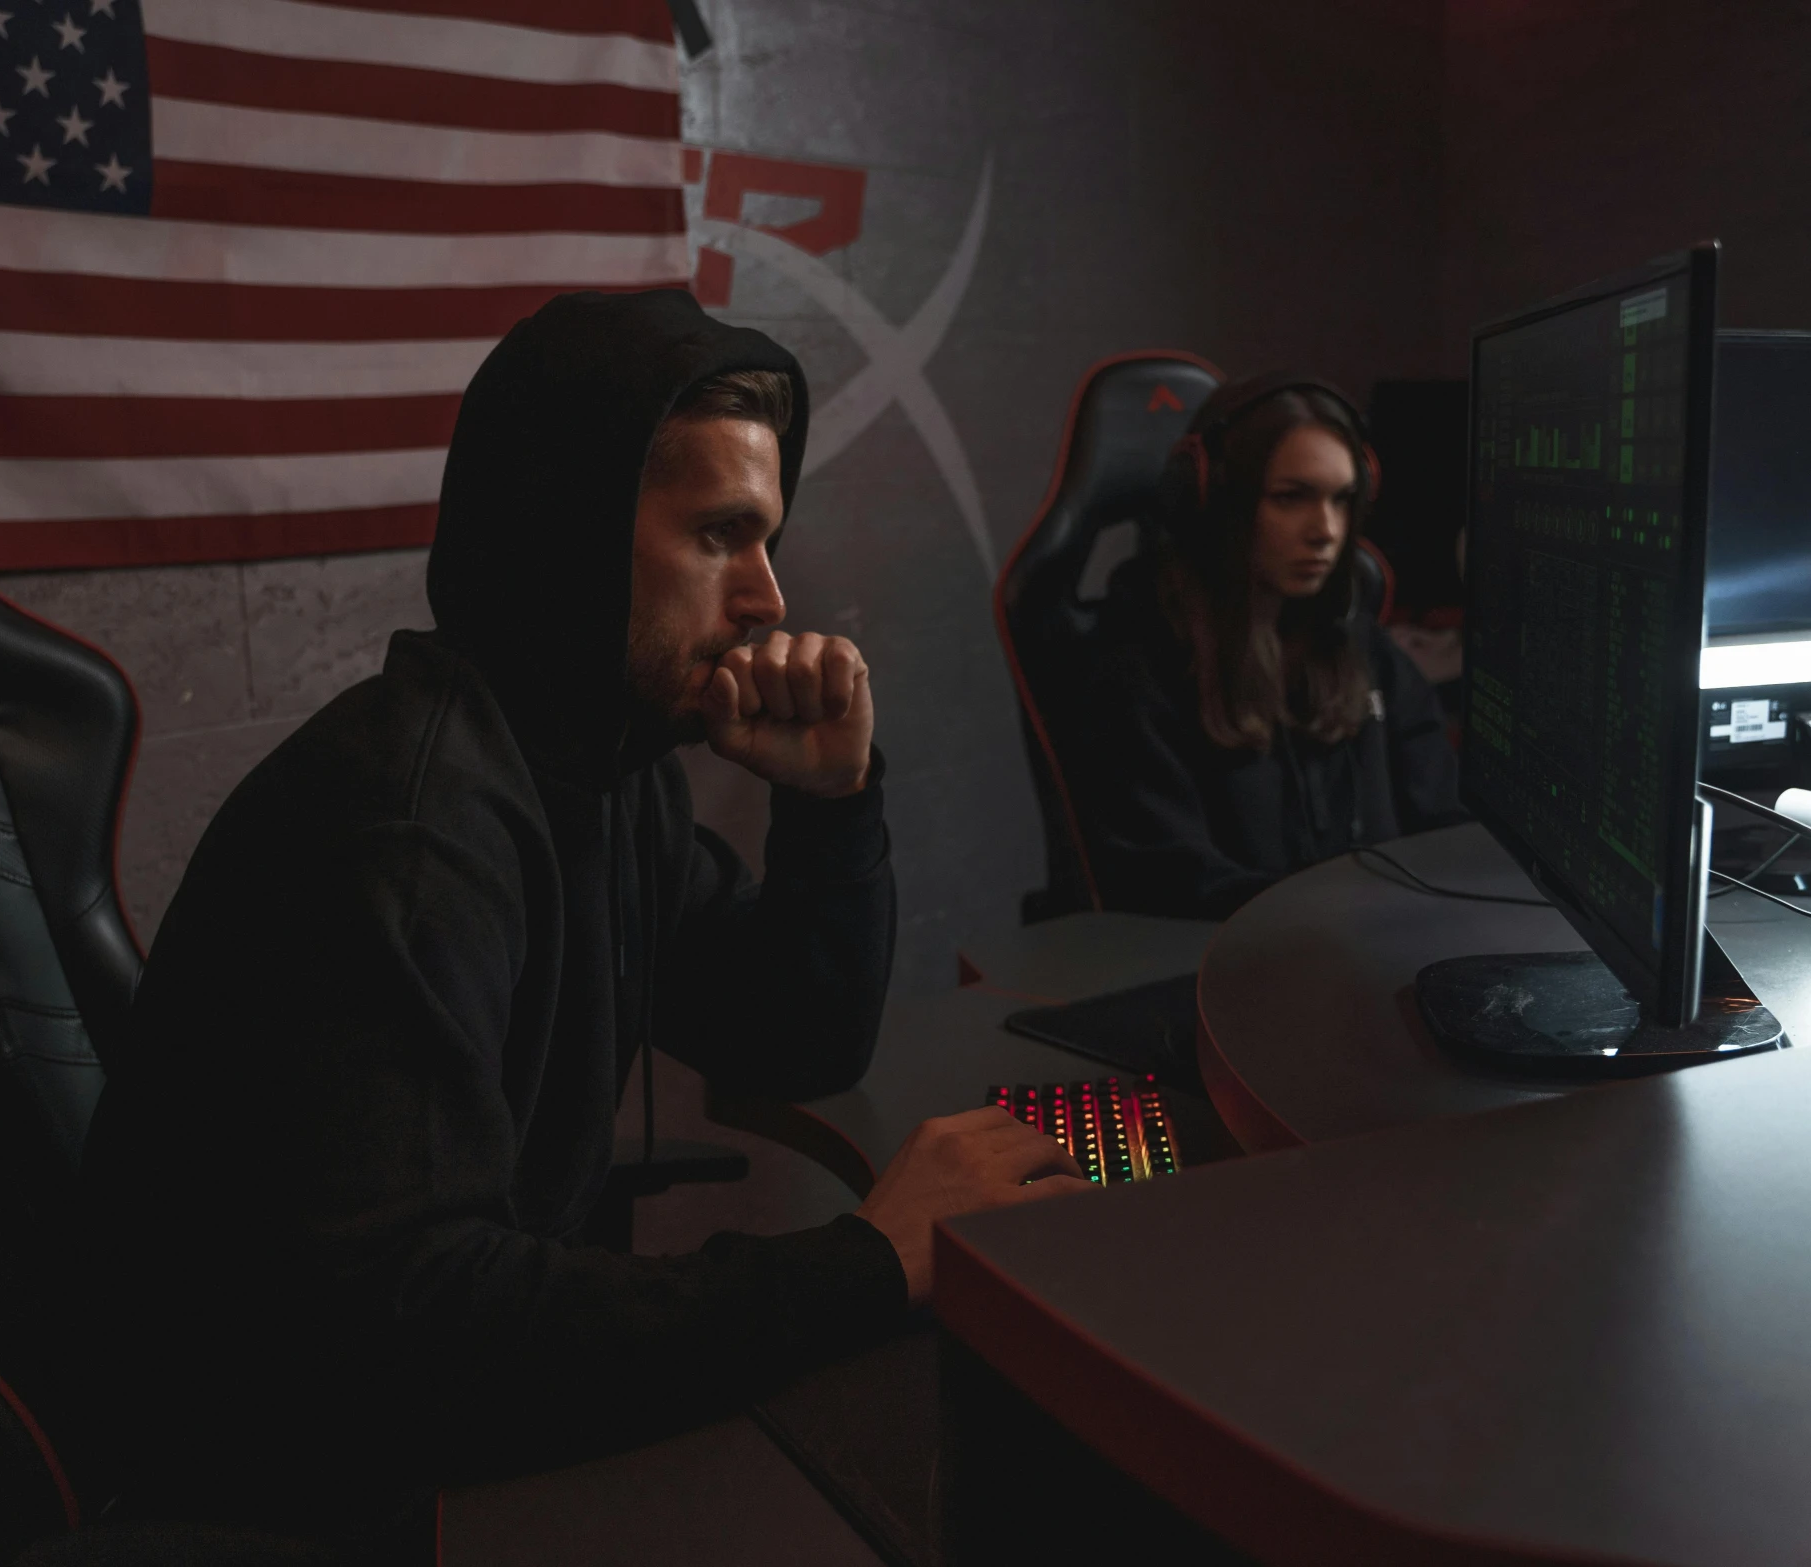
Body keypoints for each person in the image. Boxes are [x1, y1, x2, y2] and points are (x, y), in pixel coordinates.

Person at [76, 289, 1088, 1550]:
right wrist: (867, 1260)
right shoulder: (413, 827)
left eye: (768, 538)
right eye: (722, 534)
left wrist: (833, 808)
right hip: (289, 1498)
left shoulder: (602, 776)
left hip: (422, 1431)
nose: (769, 596)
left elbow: (795, 1041)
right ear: (568, 531)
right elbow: (419, 1321)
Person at [1063, 373, 1465, 919]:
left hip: (1381, 952)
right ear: (1217, 499)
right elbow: (1171, 881)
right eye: (1291, 497)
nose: (1326, 530)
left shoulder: (1362, 647)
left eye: (1342, 500)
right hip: (1228, 974)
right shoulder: (1139, 667)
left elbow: (1447, 825)